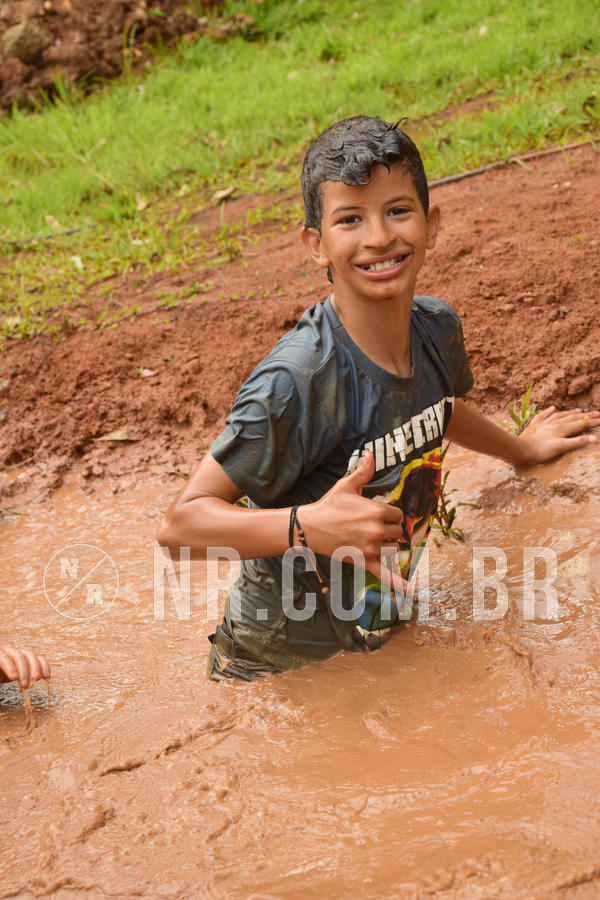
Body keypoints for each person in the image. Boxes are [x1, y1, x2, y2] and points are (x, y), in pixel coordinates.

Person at [158, 115, 599, 681]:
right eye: (349, 219)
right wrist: (306, 526)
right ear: (315, 245)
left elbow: (435, 408)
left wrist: (520, 450)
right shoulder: (297, 380)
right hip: (278, 666)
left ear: (431, 224)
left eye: (397, 210)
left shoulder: (435, 329)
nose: (379, 237)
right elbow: (179, 529)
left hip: (374, 626)